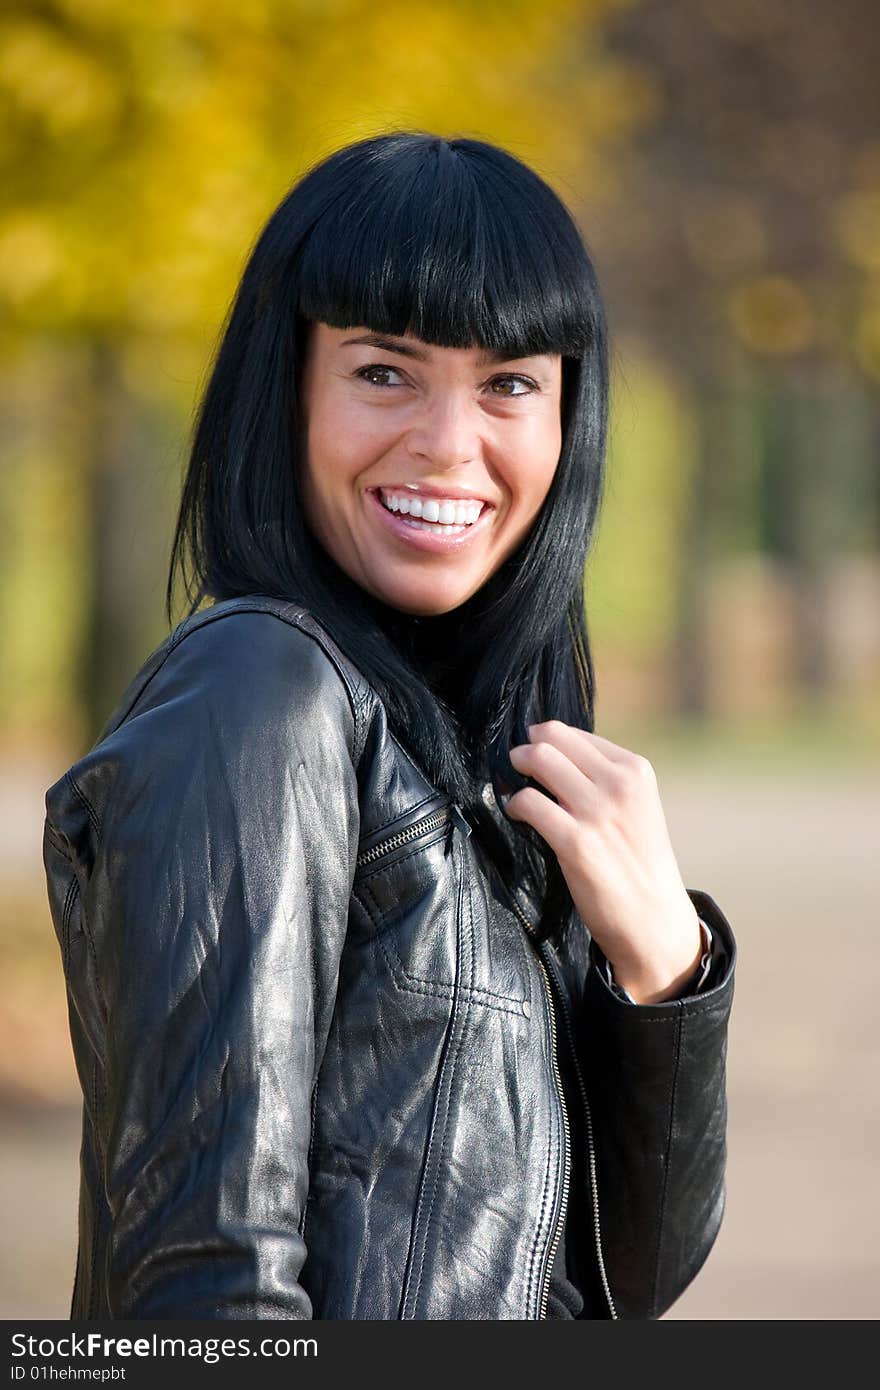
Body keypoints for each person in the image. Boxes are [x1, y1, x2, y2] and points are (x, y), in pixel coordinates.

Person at [42, 130, 736, 1321]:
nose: (448, 443)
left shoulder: (482, 764)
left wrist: (663, 970)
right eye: (383, 371)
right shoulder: (258, 698)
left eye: (510, 383)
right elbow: (206, 1296)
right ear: (288, 386)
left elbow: (625, 1282)